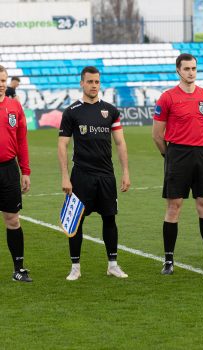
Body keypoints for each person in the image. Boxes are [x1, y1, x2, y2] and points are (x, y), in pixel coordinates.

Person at [152, 53, 203, 274]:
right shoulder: (167, 98)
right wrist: (171, 156)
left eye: (193, 68)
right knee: (174, 207)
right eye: (186, 69)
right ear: (178, 70)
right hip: (177, 155)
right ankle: (168, 261)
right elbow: (157, 135)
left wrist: (201, 146)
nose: (191, 73)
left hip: (201, 155)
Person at [58, 66, 130, 281]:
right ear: (82, 83)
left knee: (110, 219)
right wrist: (64, 176)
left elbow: (120, 143)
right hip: (81, 175)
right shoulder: (72, 112)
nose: (94, 86)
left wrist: (125, 172)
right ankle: (75, 267)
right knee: (77, 223)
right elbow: (62, 145)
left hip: (106, 176)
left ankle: (113, 265)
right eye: (89, 82)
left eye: (97, 82)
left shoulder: (110, 110)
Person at [0, 65, 32, 282]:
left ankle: (19, 269)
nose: (1, 84)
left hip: (9, 169)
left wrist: (25, 171)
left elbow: (22, 140)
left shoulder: (14, 106)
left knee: (12, 219)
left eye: (3, 80)